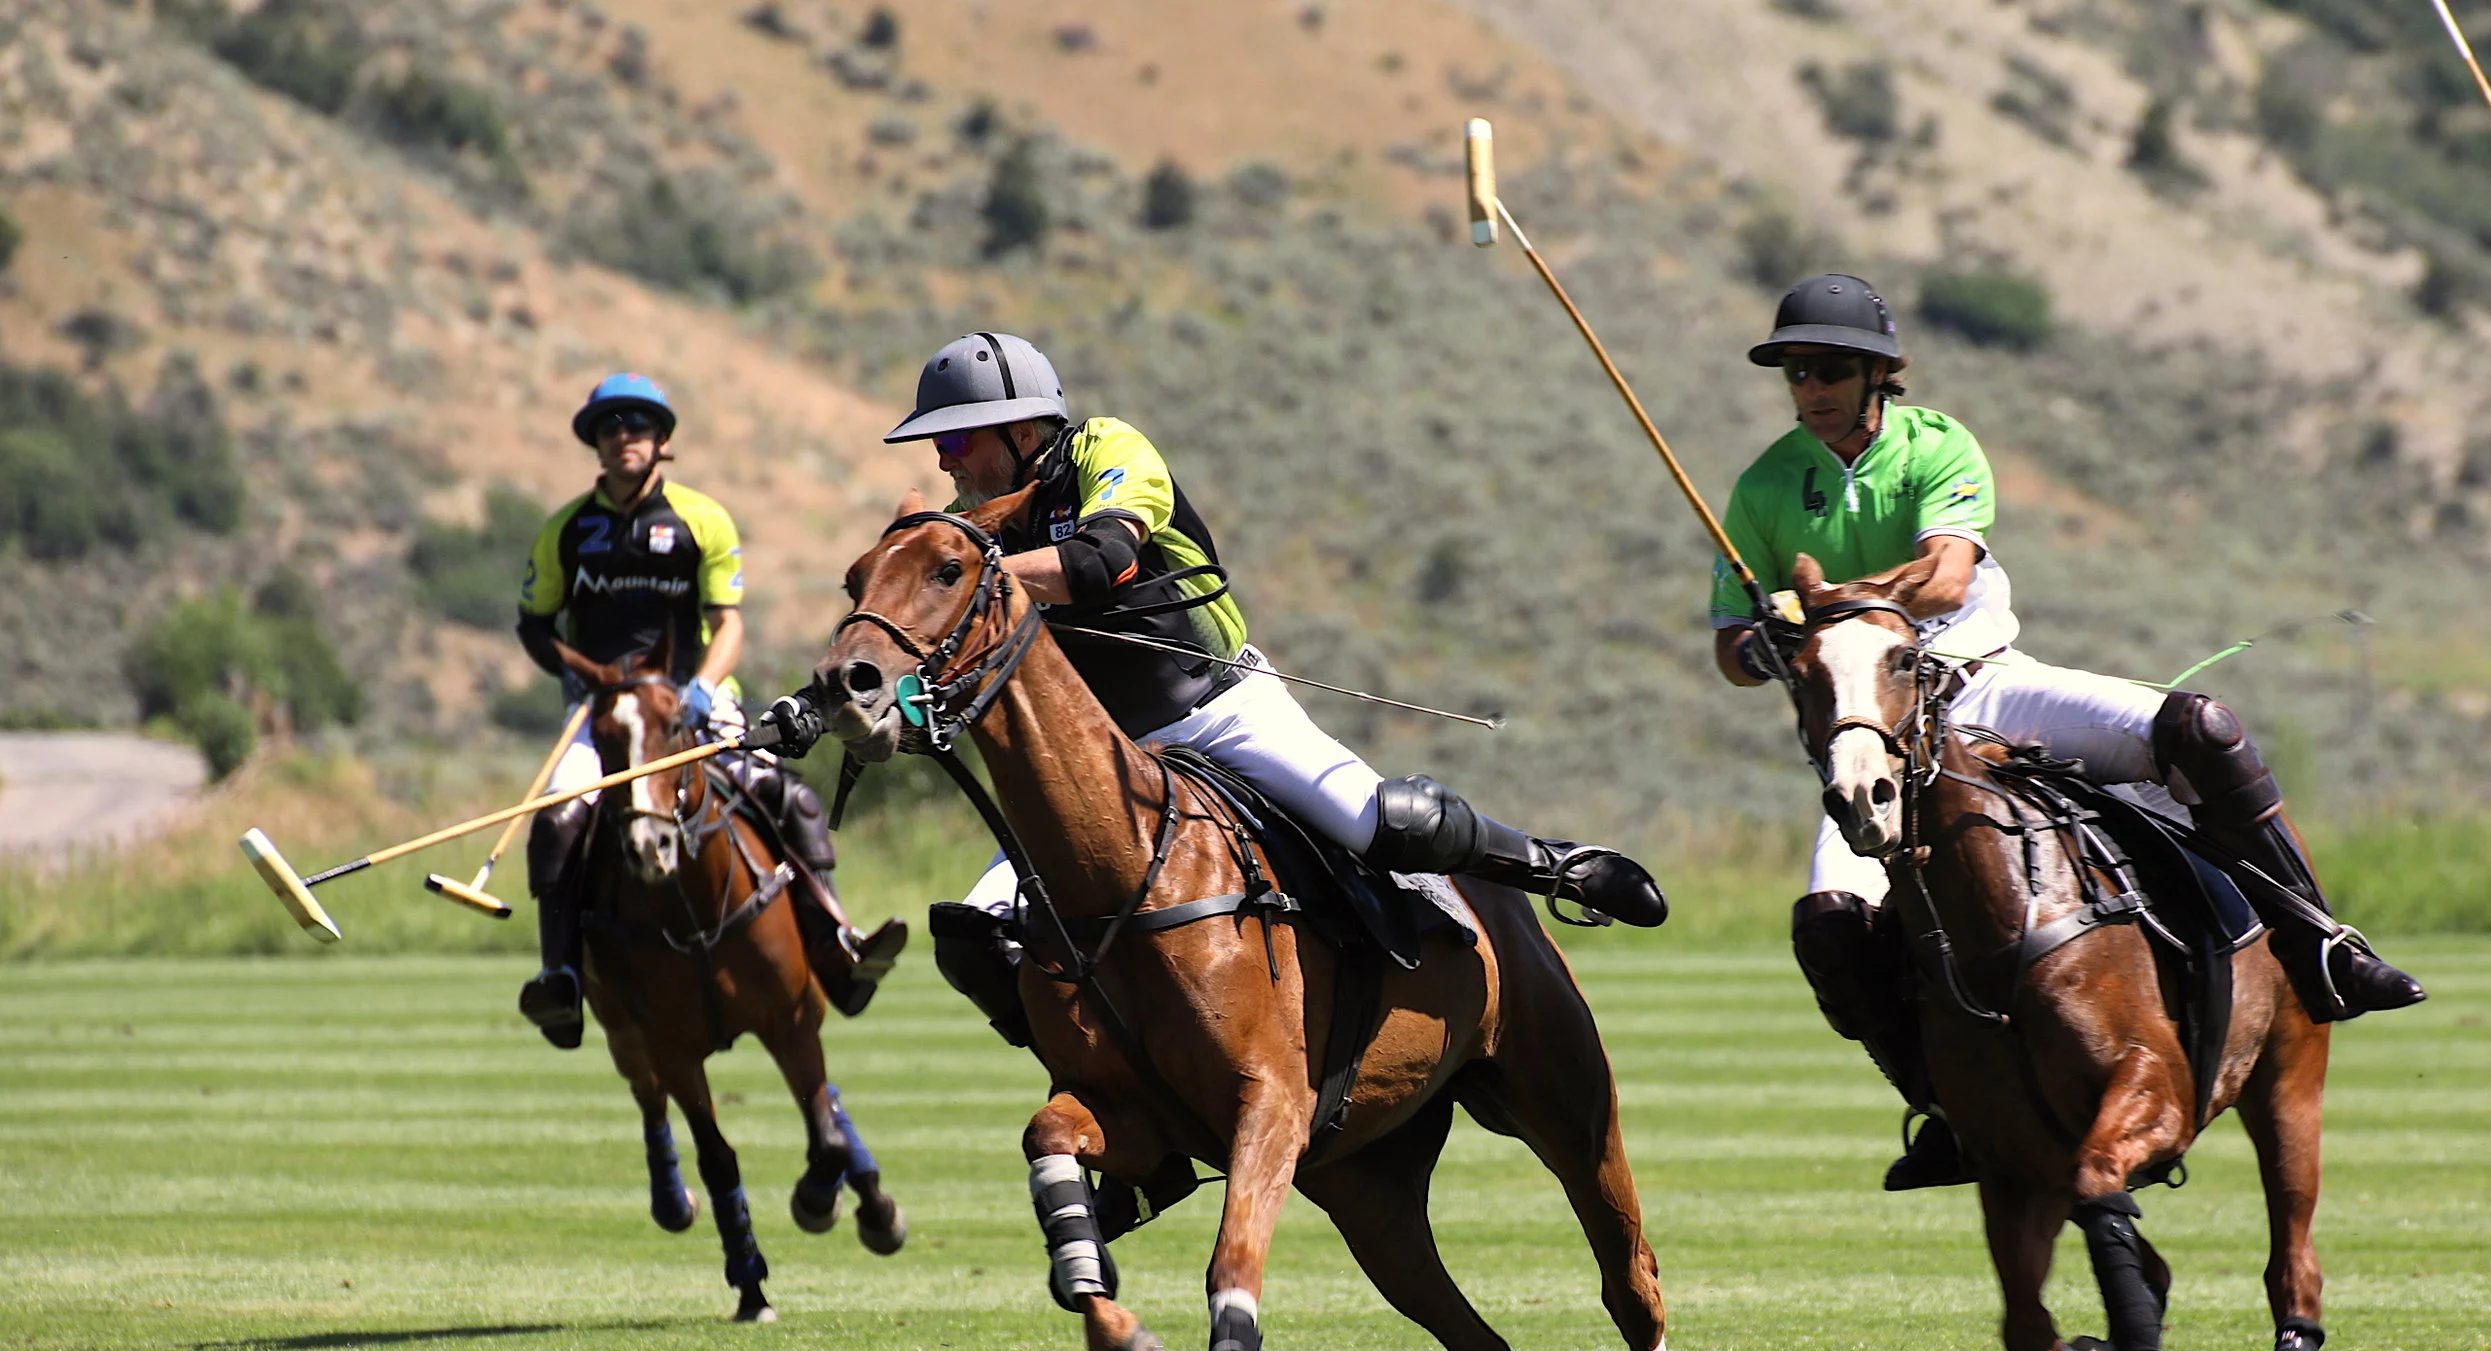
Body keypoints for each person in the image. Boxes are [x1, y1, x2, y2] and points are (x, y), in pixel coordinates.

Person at [1709, 276, 2422, 1190]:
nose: (1812, 387)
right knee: (1830, 927)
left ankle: (2323, 944)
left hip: (1990, 690)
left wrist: (1838, 605)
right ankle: (1944, 1106)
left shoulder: (1938, 447)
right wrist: (1766, 646)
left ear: (1880, 373)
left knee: (2201, 728)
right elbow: (1729, 649)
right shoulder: (1765, 487)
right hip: (1883, 740)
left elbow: (1947, 579)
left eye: (1831, 368)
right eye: (1797, 370)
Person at [871, 332, 1666, 1046]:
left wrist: (970, 581)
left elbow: (1099, 560)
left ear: (1023, 428)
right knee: (973, 936)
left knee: (1382, 820)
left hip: (1218, 708)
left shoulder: (1105, 450)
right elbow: (936, 661)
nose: (945, 460)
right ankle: (1109, 1085)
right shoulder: (969, 536)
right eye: (940, 445)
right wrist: (891, 706)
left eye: (957, 438)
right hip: (1109, 763)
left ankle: (1552, 865)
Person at [511, 372, 895, 1049]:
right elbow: (535, 625)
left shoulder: (701, 518)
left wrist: (702, 684)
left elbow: (729, 621)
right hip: (605, 713)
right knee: (558, 817)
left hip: (692, 694)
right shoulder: (566, 531)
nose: (623, 437)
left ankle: (838, 940)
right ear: (596, 445)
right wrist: (575, 676)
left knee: (784, 794)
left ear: (661, 440)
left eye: (637, 426)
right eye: (610, 428)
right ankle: (561, 978)